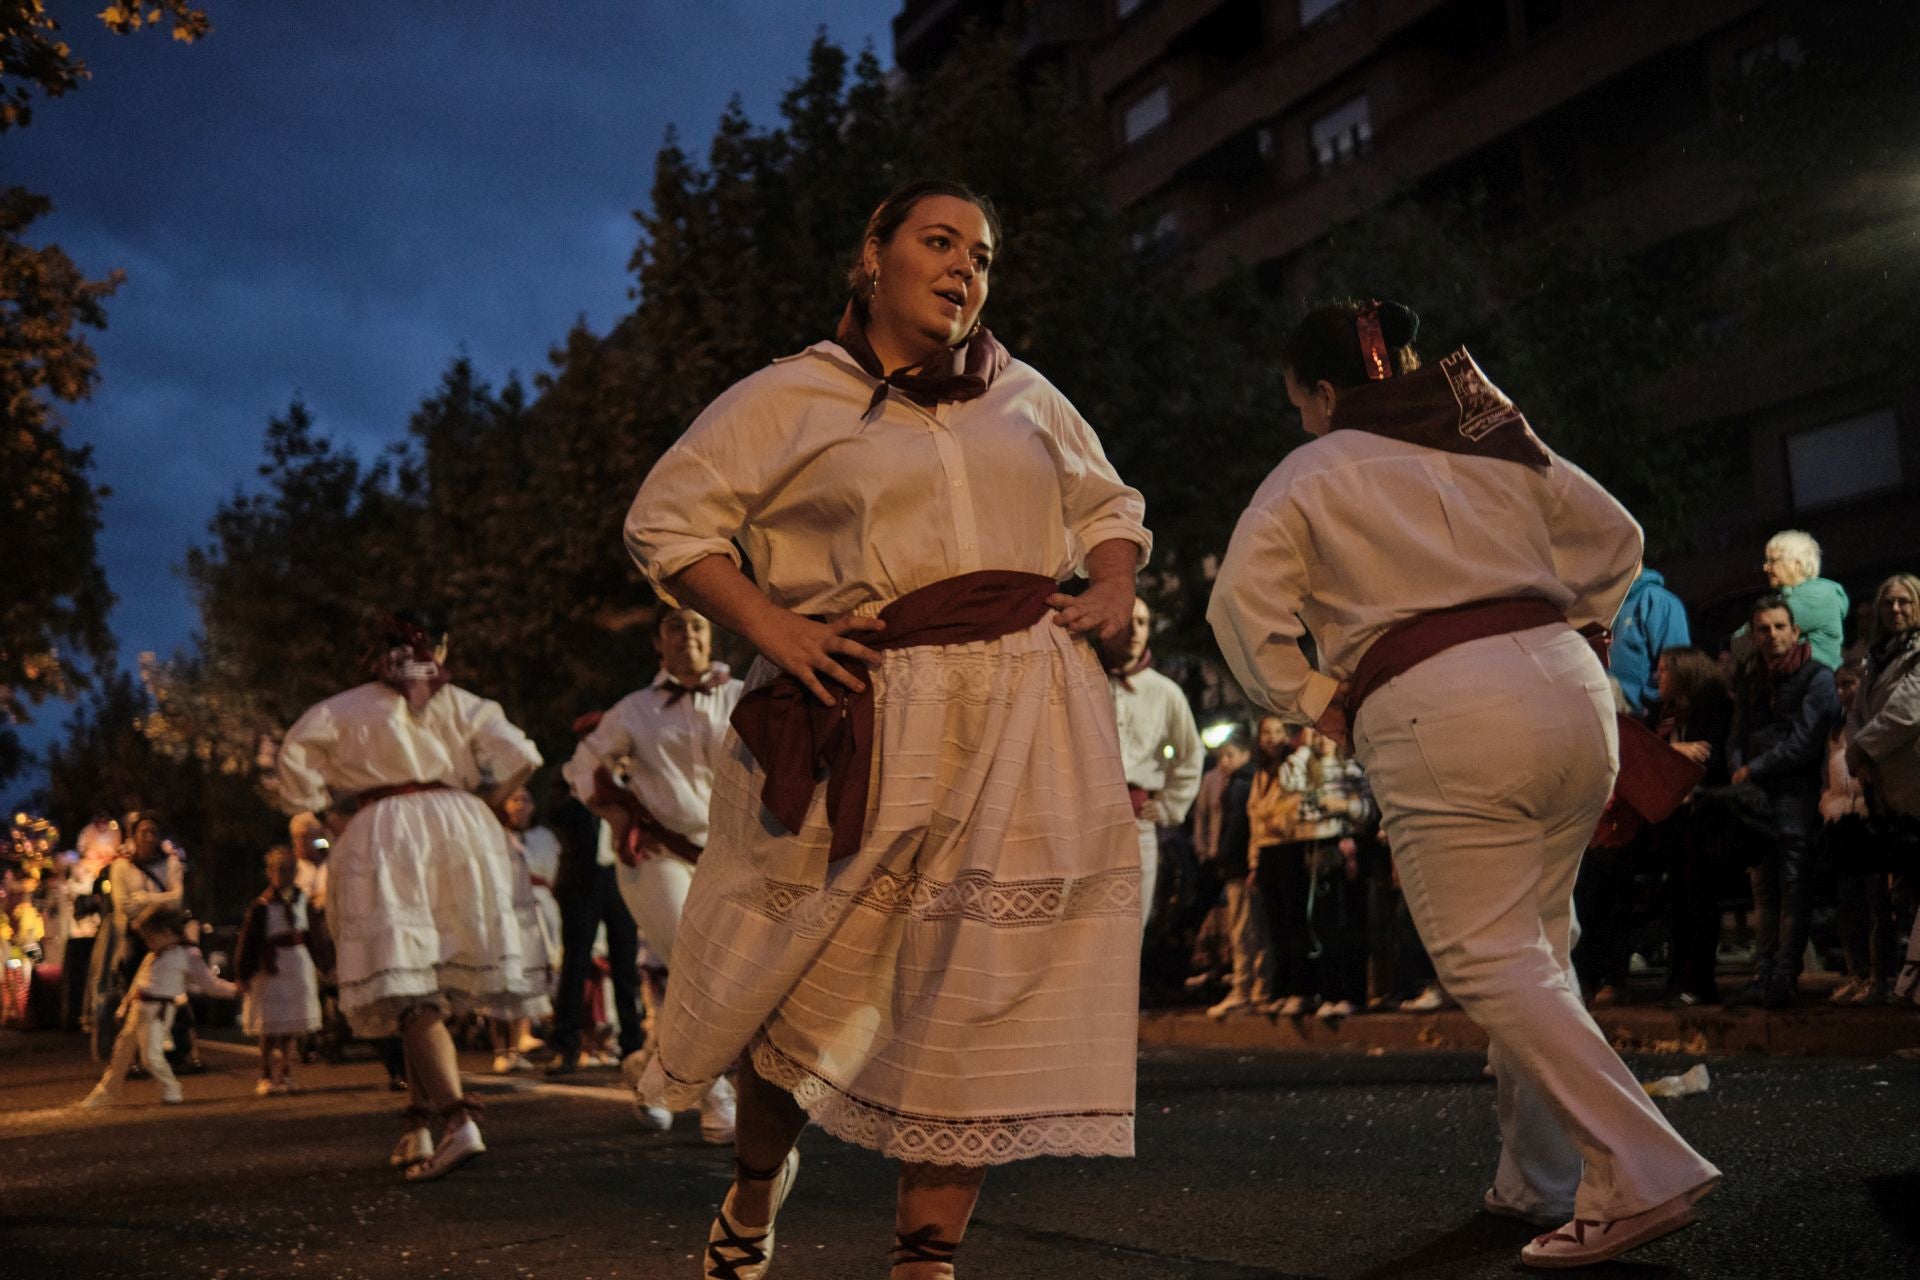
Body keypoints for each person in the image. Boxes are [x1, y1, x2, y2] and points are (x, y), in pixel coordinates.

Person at [623, 179, 1148, 1280]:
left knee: (980, 988)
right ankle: (758, 1185)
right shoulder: (791, 395)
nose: (965, 267)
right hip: (866, 708)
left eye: (984, 254)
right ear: (873, 256)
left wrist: (1112, 585)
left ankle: (924, 1260)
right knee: (801, 985)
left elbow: (1109, 506)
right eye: (939, 241)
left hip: (1027, 709)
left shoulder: (1028, 393)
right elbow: (668, 521)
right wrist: (773, 624)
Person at [1208, 299, 1719, 1268]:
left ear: (1323, 392)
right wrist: (1584, 632)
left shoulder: (1309, 472)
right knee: (1537, 943)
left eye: (1302, 403)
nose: (1305, 420)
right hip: (1568, 687)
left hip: (1438, 700)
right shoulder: (1499, 440)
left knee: (1488, 954)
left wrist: (1319, 698)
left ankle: (1643, 1165)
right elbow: (1618, 539)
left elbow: (1241, 611)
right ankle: (1539, 1177)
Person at [274, 607, 544, 1182]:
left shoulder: (346, 707)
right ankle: (417, 1120)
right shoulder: (462, 702)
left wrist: (327, 809)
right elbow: (525, 756)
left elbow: (292, 761)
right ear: (440, 649)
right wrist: (489, 805)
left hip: (385, 831)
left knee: (406, 981)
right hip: (461, 829)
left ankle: (456, 1119)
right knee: (424, 981)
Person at [564, 606, 743, 1142]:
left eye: (697, 626)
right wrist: (616, 812)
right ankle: (717, 1097)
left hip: (730, 856)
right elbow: (580, 767)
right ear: (657, 644)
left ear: (710, 638)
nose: (686, 634)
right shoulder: (635, 710)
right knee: (698, 963)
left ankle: (649, 1071)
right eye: (674, 626)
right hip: (657, 856)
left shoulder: (742, 697)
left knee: (718, 971)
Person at [1727, 594, 1840, 1009]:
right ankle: (1764, 971)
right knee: (1764, 889)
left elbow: (1805, 742)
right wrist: (1740, 770)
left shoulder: (1817, 677)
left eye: (1779, 627)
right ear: (1754, 636)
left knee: (1793, 886)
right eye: (1763, 629)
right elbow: (1737, 733)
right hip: (1759, 799)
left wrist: (1752, 768)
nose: (1772, 635)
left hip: (1796, 795)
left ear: (1795, 632)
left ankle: (1784, 976)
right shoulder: (1752, 678)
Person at [542, 735, 646, 1079]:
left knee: (625, 962)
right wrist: (589, 791)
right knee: (576, 962)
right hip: (582, 879)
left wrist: (621, 784)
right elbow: (553, 812)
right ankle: (566, 1045)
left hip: (621, 877)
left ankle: (633, 1045)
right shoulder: (570, 773)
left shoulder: (632, 774)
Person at [1108, 597, 1205, 933]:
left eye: (1143, 622)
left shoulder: (1165, 693)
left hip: (1135, 821)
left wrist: (1168, 807)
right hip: (1083, 820)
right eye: (1127, 619)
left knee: (1131, 922)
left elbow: (1191, 753)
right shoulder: (1084, 683)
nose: (1135, 630)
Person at [1845, 574, 1920, 1004]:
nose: (1895, 609)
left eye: (1904, 602)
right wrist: (1860, 751)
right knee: (1897, 890)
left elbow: (1906, 711)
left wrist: (1861, 750)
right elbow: (1859, 708)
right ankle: (1896, 981)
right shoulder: (1876, 655)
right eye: (1888, 602)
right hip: (1884, 785)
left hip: (1912, 780)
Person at [1647, 648, 1737, 1008]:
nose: (1658, 676)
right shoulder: (1665, 717)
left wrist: (1668, 752)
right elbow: (1657, 755)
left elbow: (1709, 759)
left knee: (1699, 902)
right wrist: (1675, 749)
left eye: (1665, 669)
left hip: (1705, 817)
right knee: (1678, 904)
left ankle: (1699, 981)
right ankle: (1676, 979)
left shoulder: (1715, 710)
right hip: (1674, 820)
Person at [80, 905, 236, 1108]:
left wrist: (235, 990)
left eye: (151, 937)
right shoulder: (155, 955)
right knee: (122, 1050)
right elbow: (138, 982)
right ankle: (107, 1089)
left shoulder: (188, 953)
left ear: (167, 932)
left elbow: (209, 983)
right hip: (140, 1006)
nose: (149, 943)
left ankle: (171, 1087)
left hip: (158, 1011)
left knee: (150, 1056)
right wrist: (124, 1006)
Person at [234, 846, 328, 1095]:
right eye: (279, 870)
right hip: (270, 967)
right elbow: (248, 941)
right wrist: (243, 973)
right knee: (269, 1024)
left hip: (296, 965)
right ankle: (265, 1074)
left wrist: (324, 964)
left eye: (289, 870)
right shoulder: (261, 906)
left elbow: (314, 936)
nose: (285, 875)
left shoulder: (302, 900)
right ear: (269, 873)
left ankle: (286, 1073)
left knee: (289, 1026)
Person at [1735, 530, 1849, 670]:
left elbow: (1742, 641)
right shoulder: (1786, 597)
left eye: (1772, 561)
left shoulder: (1818, 595)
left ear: (1797, 563)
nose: (1765, 567)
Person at [1610, 568, 1691, 716]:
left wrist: (1645, 700)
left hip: (1633, 713)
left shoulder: (1660, 602)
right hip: (1604, 706)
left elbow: (1679, 670)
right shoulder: (1606, 605)